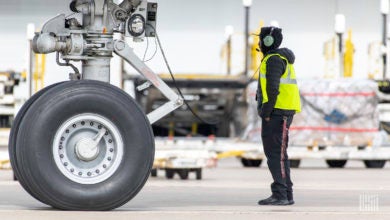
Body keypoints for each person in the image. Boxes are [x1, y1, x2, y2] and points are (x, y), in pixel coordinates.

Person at [256, 26, 301, 206]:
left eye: (261, 39)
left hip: (277, 113)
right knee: (278, 155)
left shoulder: (274, 60)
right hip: (279, 112)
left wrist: (266, 113)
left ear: (267, 41)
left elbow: (272, 89)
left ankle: (281, 194)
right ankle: (285, 193)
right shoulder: (276, 58)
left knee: (276, 155)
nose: (259, 42)